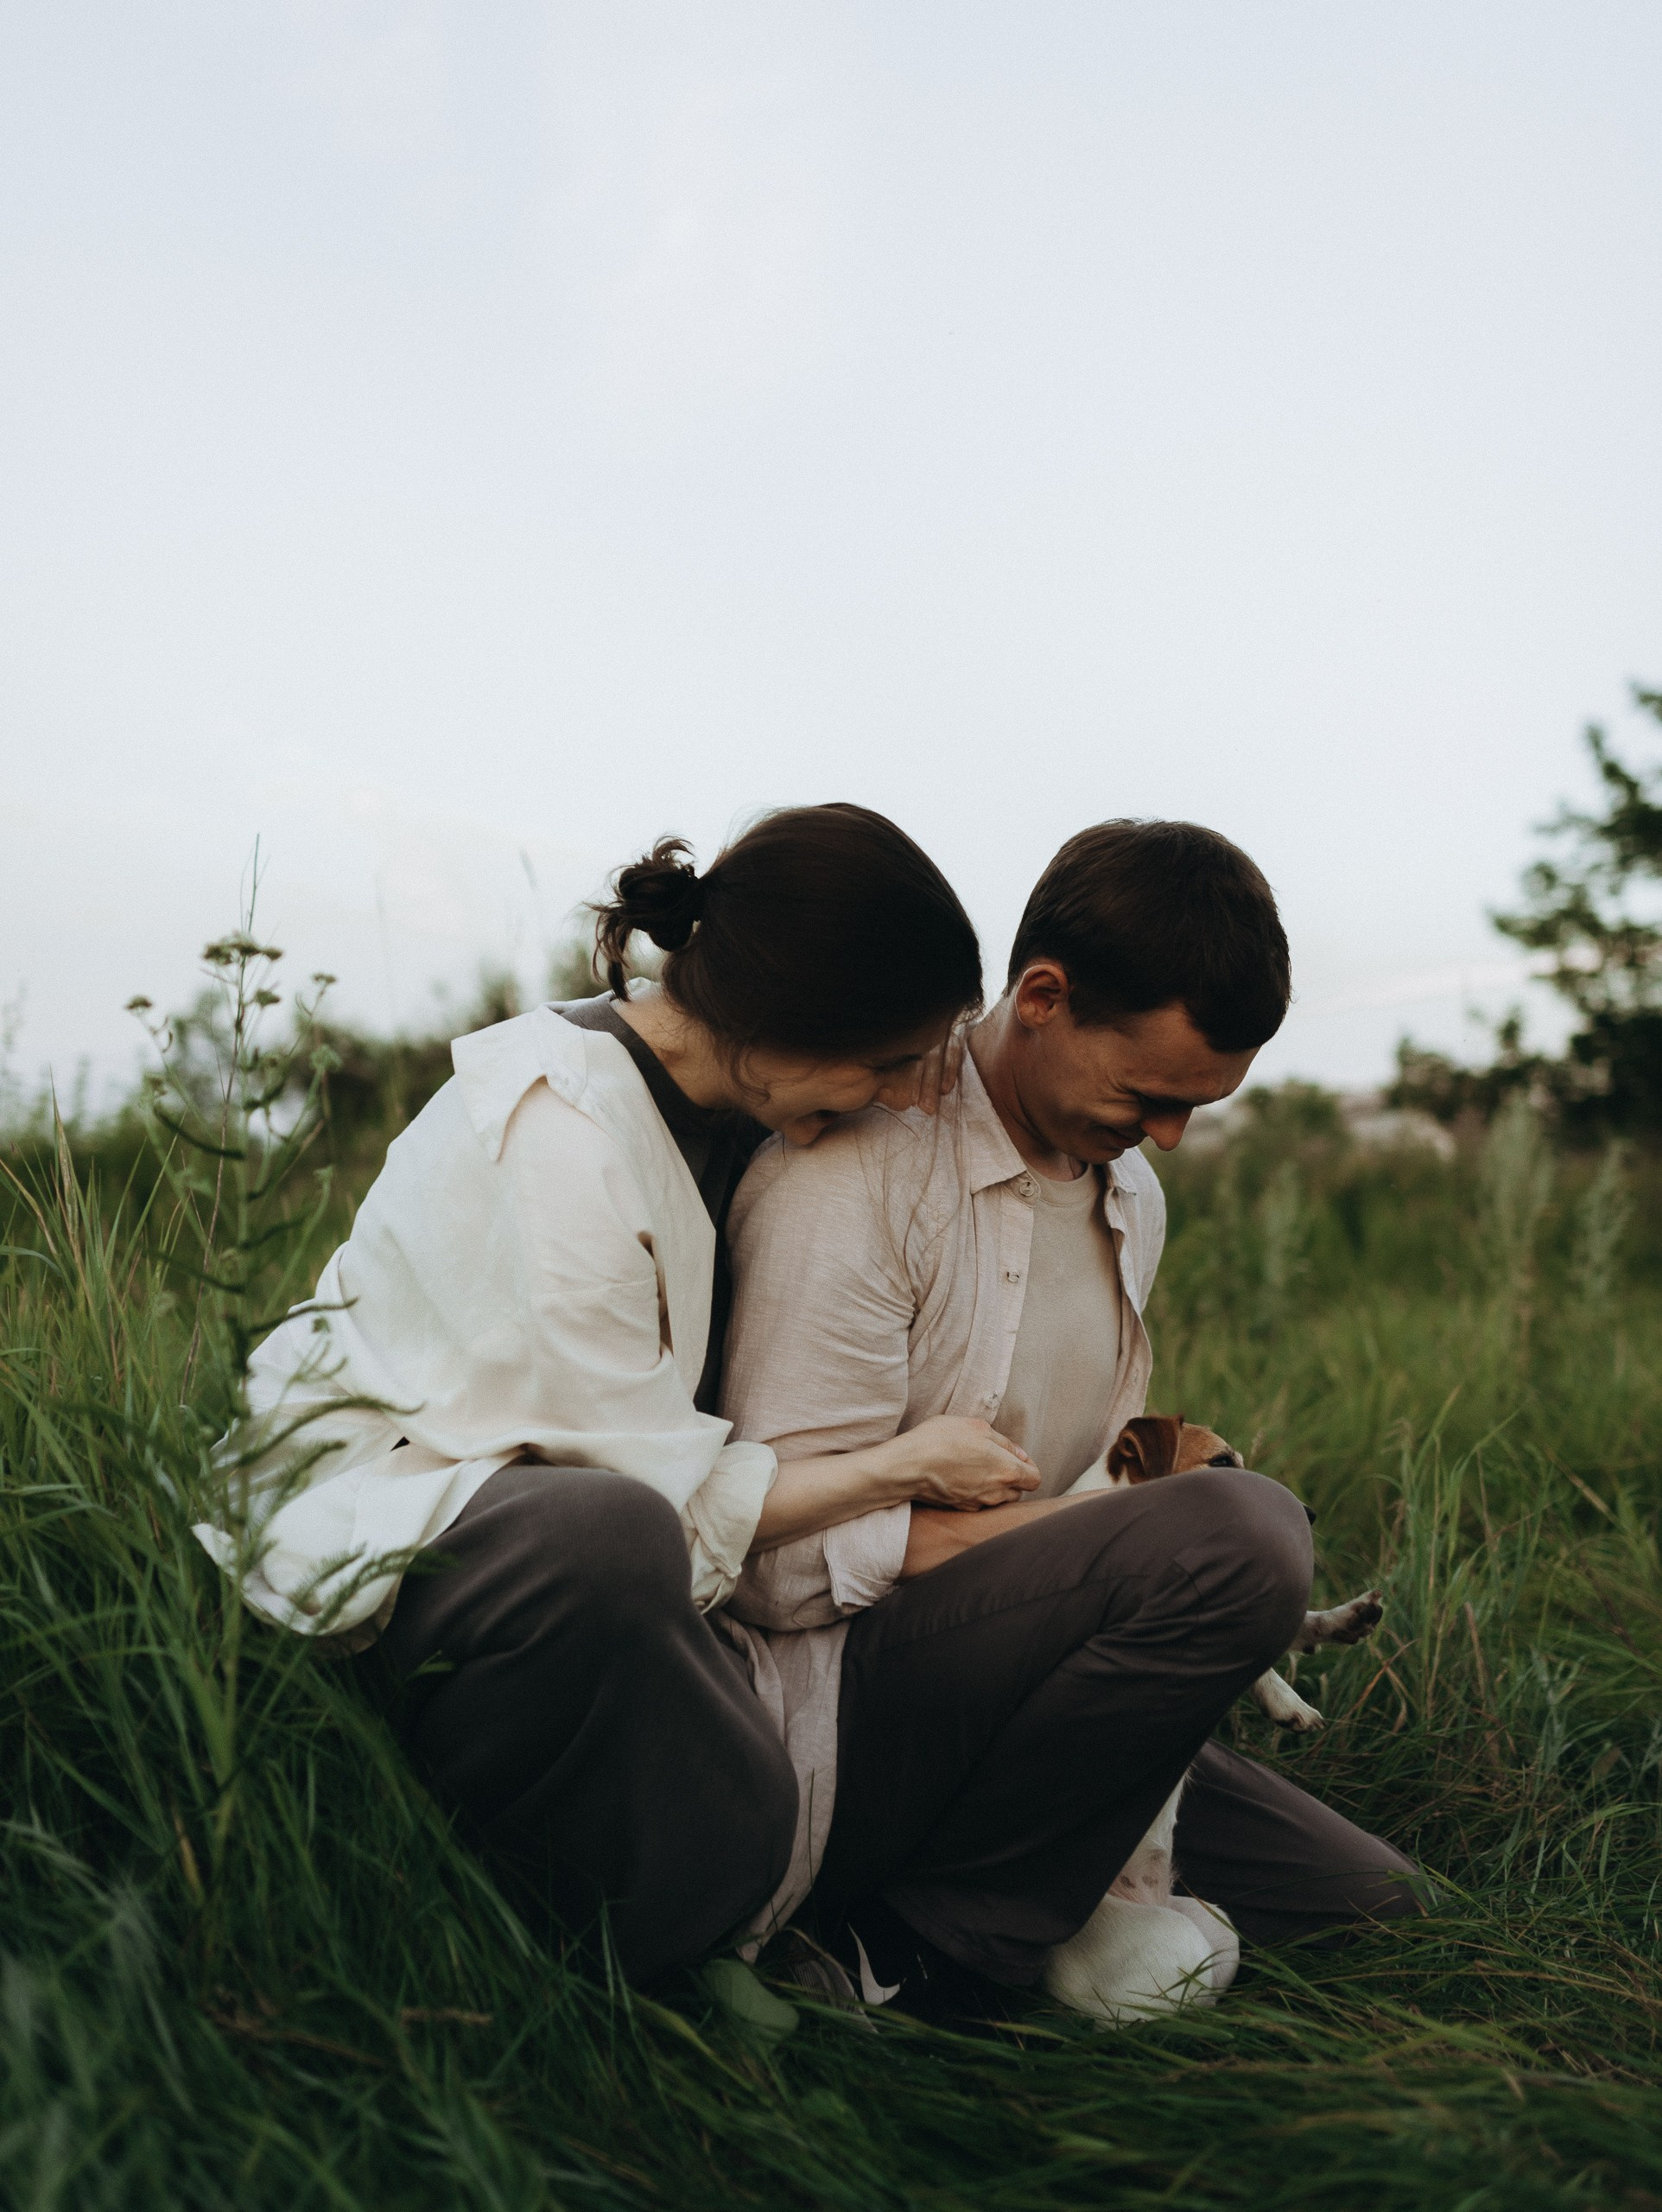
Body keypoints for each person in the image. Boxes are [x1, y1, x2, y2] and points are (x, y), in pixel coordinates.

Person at [194, 804, 1042, 1983]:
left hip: (597, 1547)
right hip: (404, 1540)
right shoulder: (563, 1130)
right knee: (621, 1573)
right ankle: (578, 1952)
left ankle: (703, 1919)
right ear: (788, 1021)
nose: (904, 1099)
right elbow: (638, 1498)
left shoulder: (733, 1115)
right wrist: (898, 1470)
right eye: (890, 1063)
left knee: (766, 1767)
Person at [720, 820, 1426, 2019]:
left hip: (1029, 1679)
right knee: (1242, 1534)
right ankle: (907, 1955)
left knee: (1366, 1901)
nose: (1169, 1137)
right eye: (1151, 1095)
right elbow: (770, 1568)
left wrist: (1128, 1560)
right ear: (1043, 996)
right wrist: (1127, 1546)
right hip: (852, 1707)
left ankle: (1032, 1893)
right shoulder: (854, 1174)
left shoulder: (1129, 1193)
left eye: (1197, 1107)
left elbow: (1092, 1515)